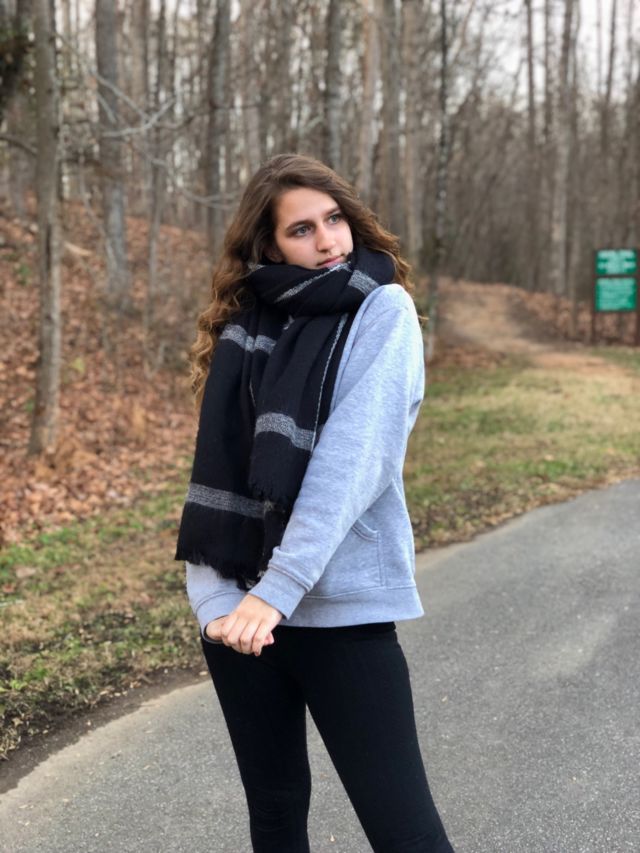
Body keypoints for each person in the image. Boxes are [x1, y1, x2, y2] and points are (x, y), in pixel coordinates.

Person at [175, 153, 454, 853]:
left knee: (405, 831)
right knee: (274, 817)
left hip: (339, 612)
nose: (328, 241)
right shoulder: (245, 324)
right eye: (302, 229)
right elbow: (216, 471)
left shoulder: (382, 309)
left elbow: (353, 462)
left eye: (334, 219)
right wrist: (213, 602)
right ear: (270, 246)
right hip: (242, 621)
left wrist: (280, 588)